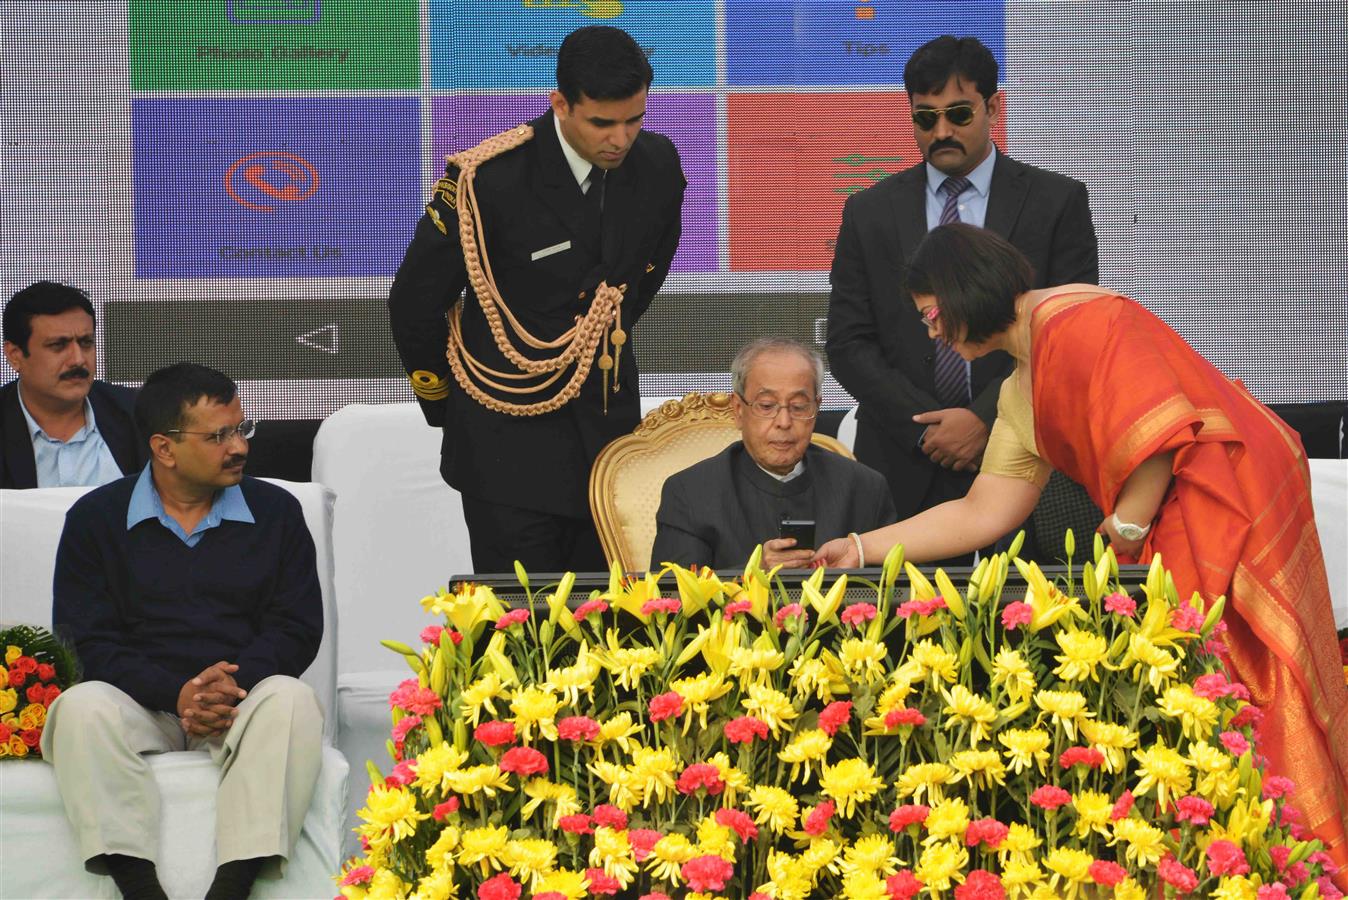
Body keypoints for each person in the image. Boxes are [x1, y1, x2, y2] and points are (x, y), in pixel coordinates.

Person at [815, 223, 1348, 875]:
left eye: (931, 316)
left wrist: (1125, 529)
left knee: (1232, 674)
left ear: (961, 290)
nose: (932, 334)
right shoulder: (1016, 391)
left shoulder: (1080, 315)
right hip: (1168, 512)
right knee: (1194, 680)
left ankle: (1292, 857)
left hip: (1226, 487)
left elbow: (1159, 431)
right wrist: (861, 548)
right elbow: (982, 510)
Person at [388, 25, 686, 574]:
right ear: (560, 104)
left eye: (634, 119)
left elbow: (640, 279)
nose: (620, 138)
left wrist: (586, 341)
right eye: (602, 122)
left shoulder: (659, 165)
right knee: (519, 627)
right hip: (505, 442)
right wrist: (449, 404)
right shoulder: (489, 179)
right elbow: (414, 301)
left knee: (607, 626)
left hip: (606, 437)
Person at [42, 363, 324, 900]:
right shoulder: (95, 518)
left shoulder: (277, 513)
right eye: (219, 436)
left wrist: (223, 690)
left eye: (242, 429)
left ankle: (233, 886)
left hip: (238, 702)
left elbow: (296, 626)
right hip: (143, 705)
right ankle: (138, 886)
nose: (238, 446)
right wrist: (177, 693)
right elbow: (85, 641)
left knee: (290, 699)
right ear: (164, 449)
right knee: (79, 707)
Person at [826, 34, 1100, 563]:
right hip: (902, 463)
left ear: (994, 106)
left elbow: (1067, 333)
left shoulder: (1055, 202)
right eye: (925, 118)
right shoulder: (869, 211)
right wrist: (931, 428)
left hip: (1028, 456)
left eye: (957, 113)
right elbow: (848, 341)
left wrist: (983, 419)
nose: (942, 131)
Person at [650, 338, 896, 570]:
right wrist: (755, 573)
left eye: (799, 407)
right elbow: (672, 601)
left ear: (816, 408)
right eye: (767, 406)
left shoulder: (865, 488)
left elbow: (900, 594)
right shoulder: (689, 493)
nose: (784, 421)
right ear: (738, 410)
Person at [1, 281, 143, 488]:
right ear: (15, 356)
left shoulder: (140, 414)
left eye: (86, 343)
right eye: (58, 345)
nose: (78, 359)